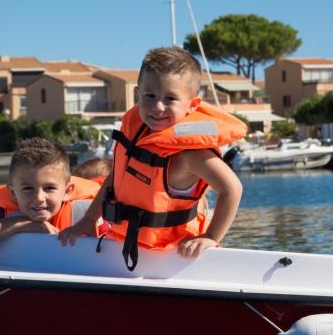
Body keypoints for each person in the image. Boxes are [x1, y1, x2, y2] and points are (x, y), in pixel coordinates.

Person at [58, 46, 247, 270]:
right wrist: (89, 220)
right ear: (138, 94)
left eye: (170, 99)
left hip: (176, 258)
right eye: (150, 96)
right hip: (123, 248)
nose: (158, 107)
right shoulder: (138, 133)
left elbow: (232, 189)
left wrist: (211, 237)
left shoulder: (190, 154)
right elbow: (115, 182)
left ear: (192, 105)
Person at [0, 137, 100, 253]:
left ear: (67, 191)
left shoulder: (87, 215)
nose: (39, 198)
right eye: (28, 189)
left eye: (49, 188)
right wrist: (20, 224)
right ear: (13, 193)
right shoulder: (9, 215)